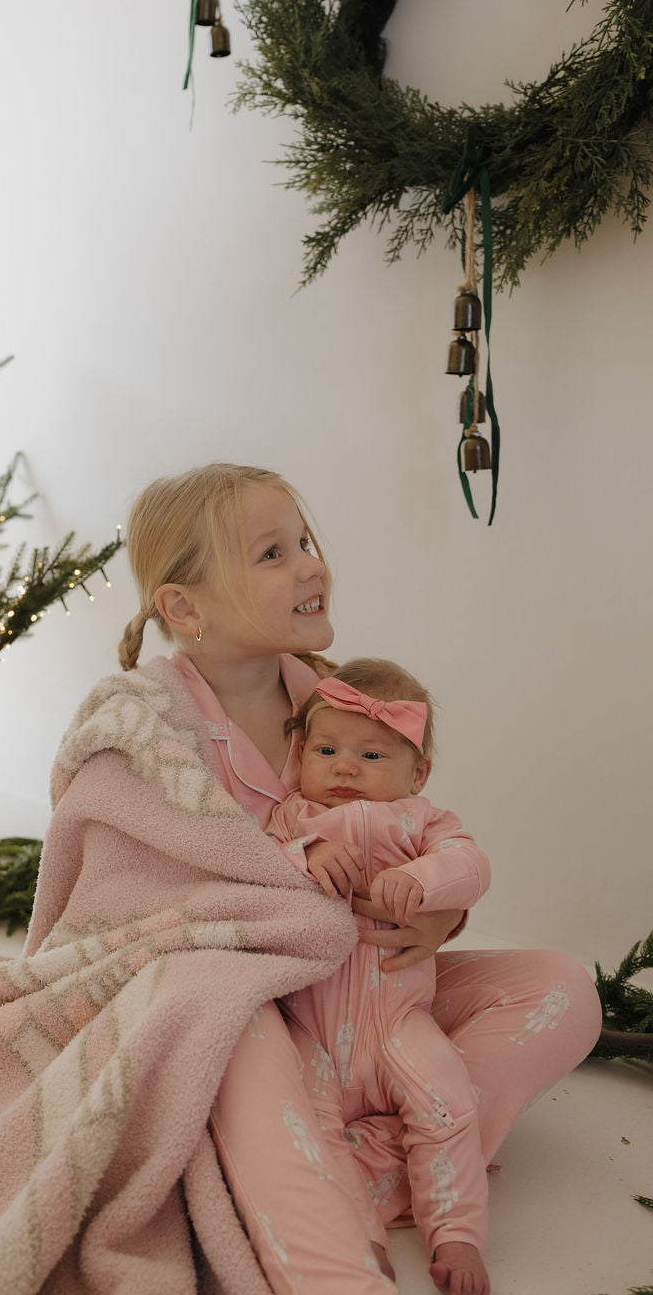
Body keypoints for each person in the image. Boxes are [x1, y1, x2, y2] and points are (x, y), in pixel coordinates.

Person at [117, 461, 602, 1294]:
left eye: (304, 541)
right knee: (242, 1054)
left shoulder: (335, 701)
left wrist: (438, 919)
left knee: (561, 989)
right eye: (272, 553)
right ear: (184, 607)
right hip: (261, 1004)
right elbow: (145, 891)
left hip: (378, 985)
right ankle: (334, 1260)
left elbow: (421, 834)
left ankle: (368, 1168)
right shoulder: (154, 727)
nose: (311, 564)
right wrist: (293, 873)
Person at [268, 657, 492, 1295]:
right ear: (301, 752)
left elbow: (470, 864)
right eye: (328, 749)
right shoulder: (292, 818)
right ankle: (354, 1238)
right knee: (308, 1126)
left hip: (399, 1020)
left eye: (371, 755)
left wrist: (420, 881)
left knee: (447, 1104)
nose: (344, 767)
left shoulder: (425, 823)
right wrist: (304, 851)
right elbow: (253, 866)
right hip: (306, 1022)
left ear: (417, 772)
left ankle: (456, 1231)